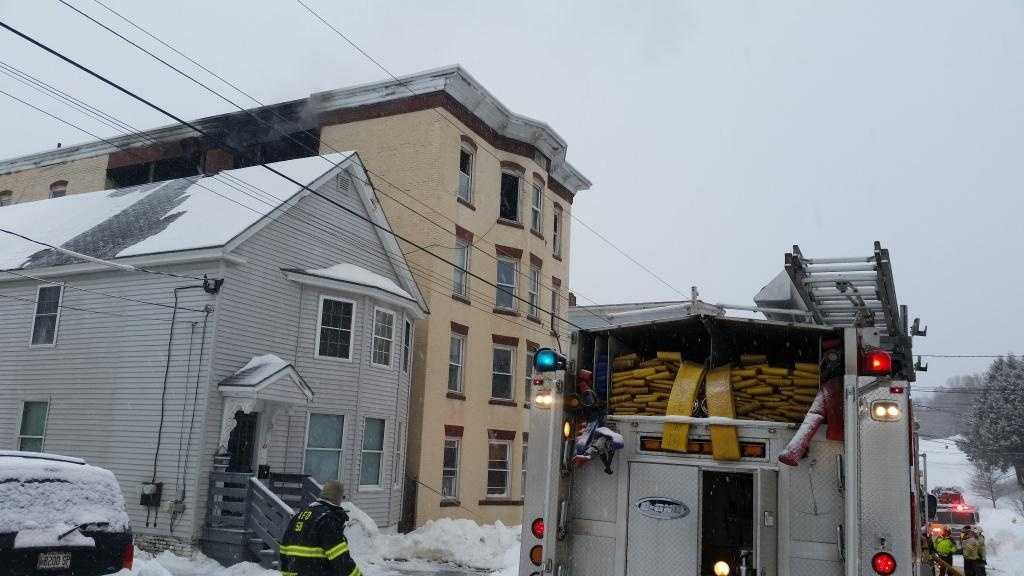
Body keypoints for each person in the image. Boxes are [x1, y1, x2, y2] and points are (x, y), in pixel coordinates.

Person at [279, 481, 361, 576]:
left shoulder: (298, 517)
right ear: (338, 498)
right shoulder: (328, 519)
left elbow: (284, 551)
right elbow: (340, 559)